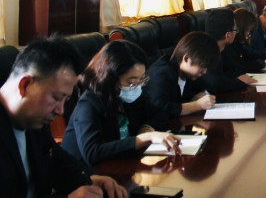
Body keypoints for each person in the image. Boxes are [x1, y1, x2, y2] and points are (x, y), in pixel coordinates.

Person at [0, 36, 127, 198]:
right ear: (25, 85)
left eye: (65, 100)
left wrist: (89, 180)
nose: (60, 111)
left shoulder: (33, 121)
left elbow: (57, 162)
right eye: (56, 98)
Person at [61, 41, 181, 167]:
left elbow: (160, 111)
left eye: (142, 78)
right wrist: (145, 138)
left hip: (120, 165)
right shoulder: (89, 103)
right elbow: (93, 152)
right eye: (131, 81)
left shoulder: (131, 94)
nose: (137, 85)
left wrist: (147, 127)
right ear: (110, 78)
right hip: (84, 172)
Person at [144, 32, 220, 123]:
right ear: (186, 59)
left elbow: (208, 85)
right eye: (202, 67)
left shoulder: (187, 73)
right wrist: (197, 105)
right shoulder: (162, 73)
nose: (205, 72)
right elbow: (159, 109)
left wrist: (202, 93)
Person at [221, 9, 266, 78]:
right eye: (248, 30)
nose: (249, 35)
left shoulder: (237, 43)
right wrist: (264, 63)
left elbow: (249, 54)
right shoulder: (228, 45)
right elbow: (238, 66)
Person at [201, 8, 253, 90]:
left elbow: (229, 70)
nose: (237, 33)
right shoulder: (207, 54)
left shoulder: (221, 48)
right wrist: (240, 82)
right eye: (236, 30)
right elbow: (215, 83)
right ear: (227, 35)